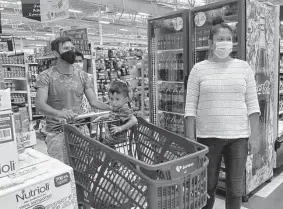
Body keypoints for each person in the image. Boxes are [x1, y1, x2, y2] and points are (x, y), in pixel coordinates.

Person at [184, 17, 260, 209]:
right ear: (211, 43)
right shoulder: (198, 70)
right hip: (207, 138)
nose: (225, 43)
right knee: (207, 187)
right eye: (220, 39)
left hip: (239, 138)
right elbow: (190, 107)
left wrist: (255, 135)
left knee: (235, 190)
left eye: (228, 39)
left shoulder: (243, 67)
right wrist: (190, 139)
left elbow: (252, 104)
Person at [35, 36, 112, 165]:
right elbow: (39, 104)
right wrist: (59, 113)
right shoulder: (46, 76)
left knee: (84, 172)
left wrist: (112, 107)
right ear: (55, 53)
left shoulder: (83, 75)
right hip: (57, 133)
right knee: (62, 174)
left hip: (80, 130)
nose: (71, 51)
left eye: (72, 48)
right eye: (66, 48)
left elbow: (94, 101)